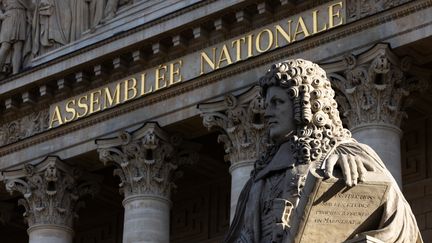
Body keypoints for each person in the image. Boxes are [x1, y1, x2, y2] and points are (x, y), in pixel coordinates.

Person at [225, 59, 422, 243]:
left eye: (277, 103)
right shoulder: (258, 177)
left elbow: (399, 220)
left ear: (305, 103)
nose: (268, 113)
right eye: (267, 105)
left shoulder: (348, 154)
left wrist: (360, 178)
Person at [0, 0, 32, 74]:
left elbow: (29, 5)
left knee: (18, 46)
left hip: (21, 15)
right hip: (9, 16)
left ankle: (15, 73)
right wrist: (1, 15)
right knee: (5, 46)